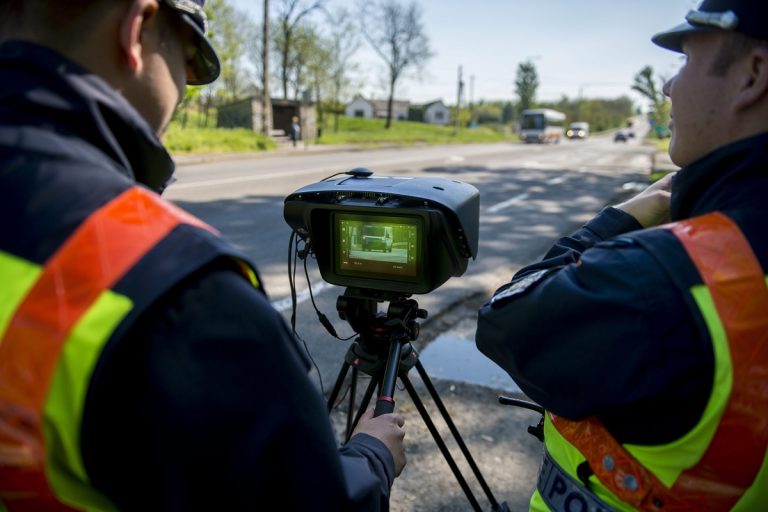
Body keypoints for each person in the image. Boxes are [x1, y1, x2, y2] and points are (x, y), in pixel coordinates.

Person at [0, 1, 405, 510]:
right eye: (188, 61)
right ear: (136, 27)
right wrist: (371, 458)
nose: (185, 89)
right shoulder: (177, 287)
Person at [475, 1, 767, 510]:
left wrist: (627, 214)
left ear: (753, 74)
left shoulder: (663, 276)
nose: (670, 87)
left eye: (686, 60)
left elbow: (505, 320)